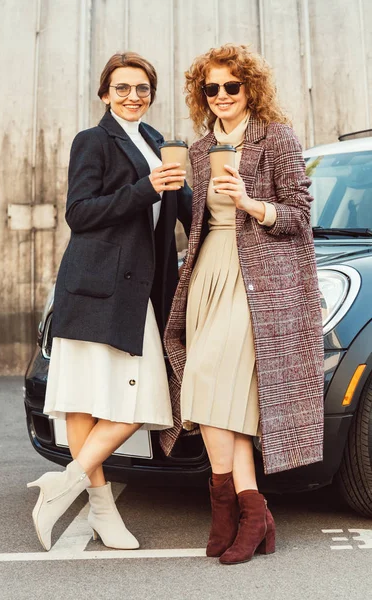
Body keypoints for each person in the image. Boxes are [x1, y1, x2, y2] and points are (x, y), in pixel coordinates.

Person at [163, 44, 324, 565]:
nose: (223, 95)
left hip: (258, 279)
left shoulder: (275, 137)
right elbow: (198, 221)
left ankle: (235, 512)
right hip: (208, 270)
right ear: (202, 94)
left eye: (232, 86)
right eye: (212, 88)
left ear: (250, 88)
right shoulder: (202, 144)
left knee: (211, 380)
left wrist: (251, 203)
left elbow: (299, 215)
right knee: (211, 392)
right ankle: (247, 513)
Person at [27, 52, 191, 552]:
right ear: (105, 94)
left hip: (141, 291)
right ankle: (101, 508)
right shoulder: (93, 140)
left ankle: (62, 484)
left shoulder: (161, 143)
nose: (133, 96)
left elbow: (186, 212)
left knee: (139, 403)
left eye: (142, 88)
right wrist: (146, 188)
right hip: (96, 286)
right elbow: (80, 212)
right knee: (84, 400)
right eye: (122, 88)